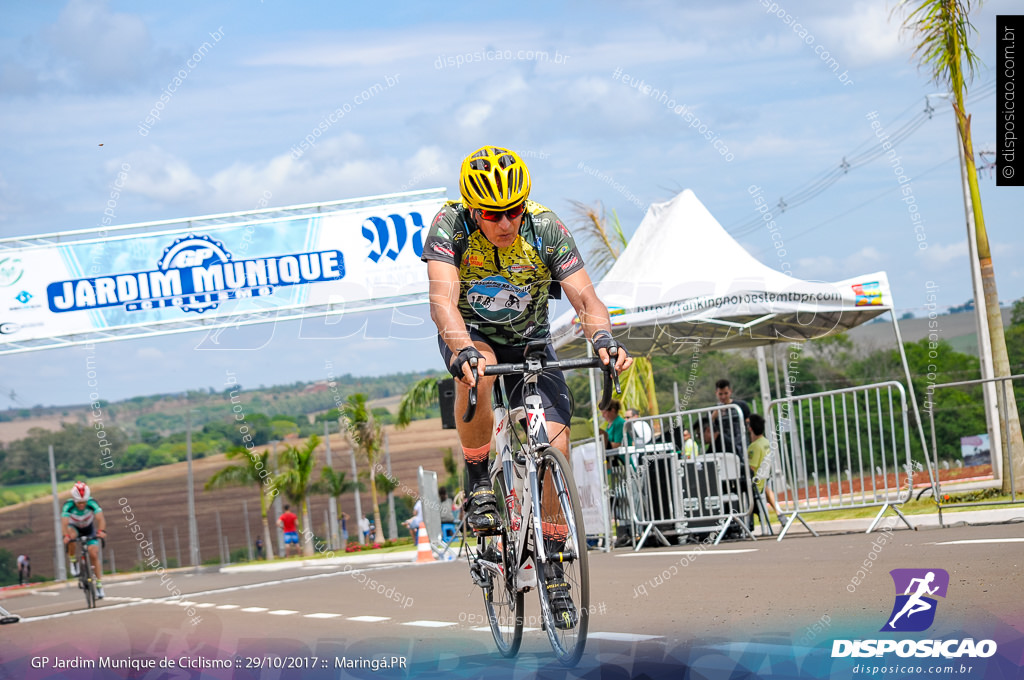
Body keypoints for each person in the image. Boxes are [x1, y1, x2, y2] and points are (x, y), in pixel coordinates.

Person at [422, 145, 632, 630]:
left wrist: (601, 335)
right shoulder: (450, 225)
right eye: (495, 215)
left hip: (532, 341)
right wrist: (461, 349)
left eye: (514, 211)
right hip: (472, 336)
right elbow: (442, 300)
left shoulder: (545, 228)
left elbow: (585, 295)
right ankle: (478, 478)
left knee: (554, 444)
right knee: (480, 367)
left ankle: (554, 564)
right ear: (474, 209)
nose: (507, 223)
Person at [61, 481, 107, 599]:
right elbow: (64, 523)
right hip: (74, 528)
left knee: (93, 554)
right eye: (79, 503)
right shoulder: (68, 505)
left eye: (84, 502)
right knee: (71, 536)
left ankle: (99, 585)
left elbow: (100, 518)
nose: (82, 505)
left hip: (88, 529)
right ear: (74, 500)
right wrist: (65, 536)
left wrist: (101, 531)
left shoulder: (92, 503)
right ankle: (73, 561)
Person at [746, 414, 785, 524]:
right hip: (764, 480)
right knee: (767, 487)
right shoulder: (767, 442)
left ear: (750, 428)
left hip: (756, 485)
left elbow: (751, 469)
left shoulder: (753, 447)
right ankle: (778, 512)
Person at [710, 379, 750, 454]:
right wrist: (713, 417)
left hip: (742, 443)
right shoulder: (713, 410)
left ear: (730, 392)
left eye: (726, 393)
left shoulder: (741, 405)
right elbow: (709, 429)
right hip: (724, 447)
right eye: (720, 394)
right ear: (716, 393)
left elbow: (749, 423)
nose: (723, 396)